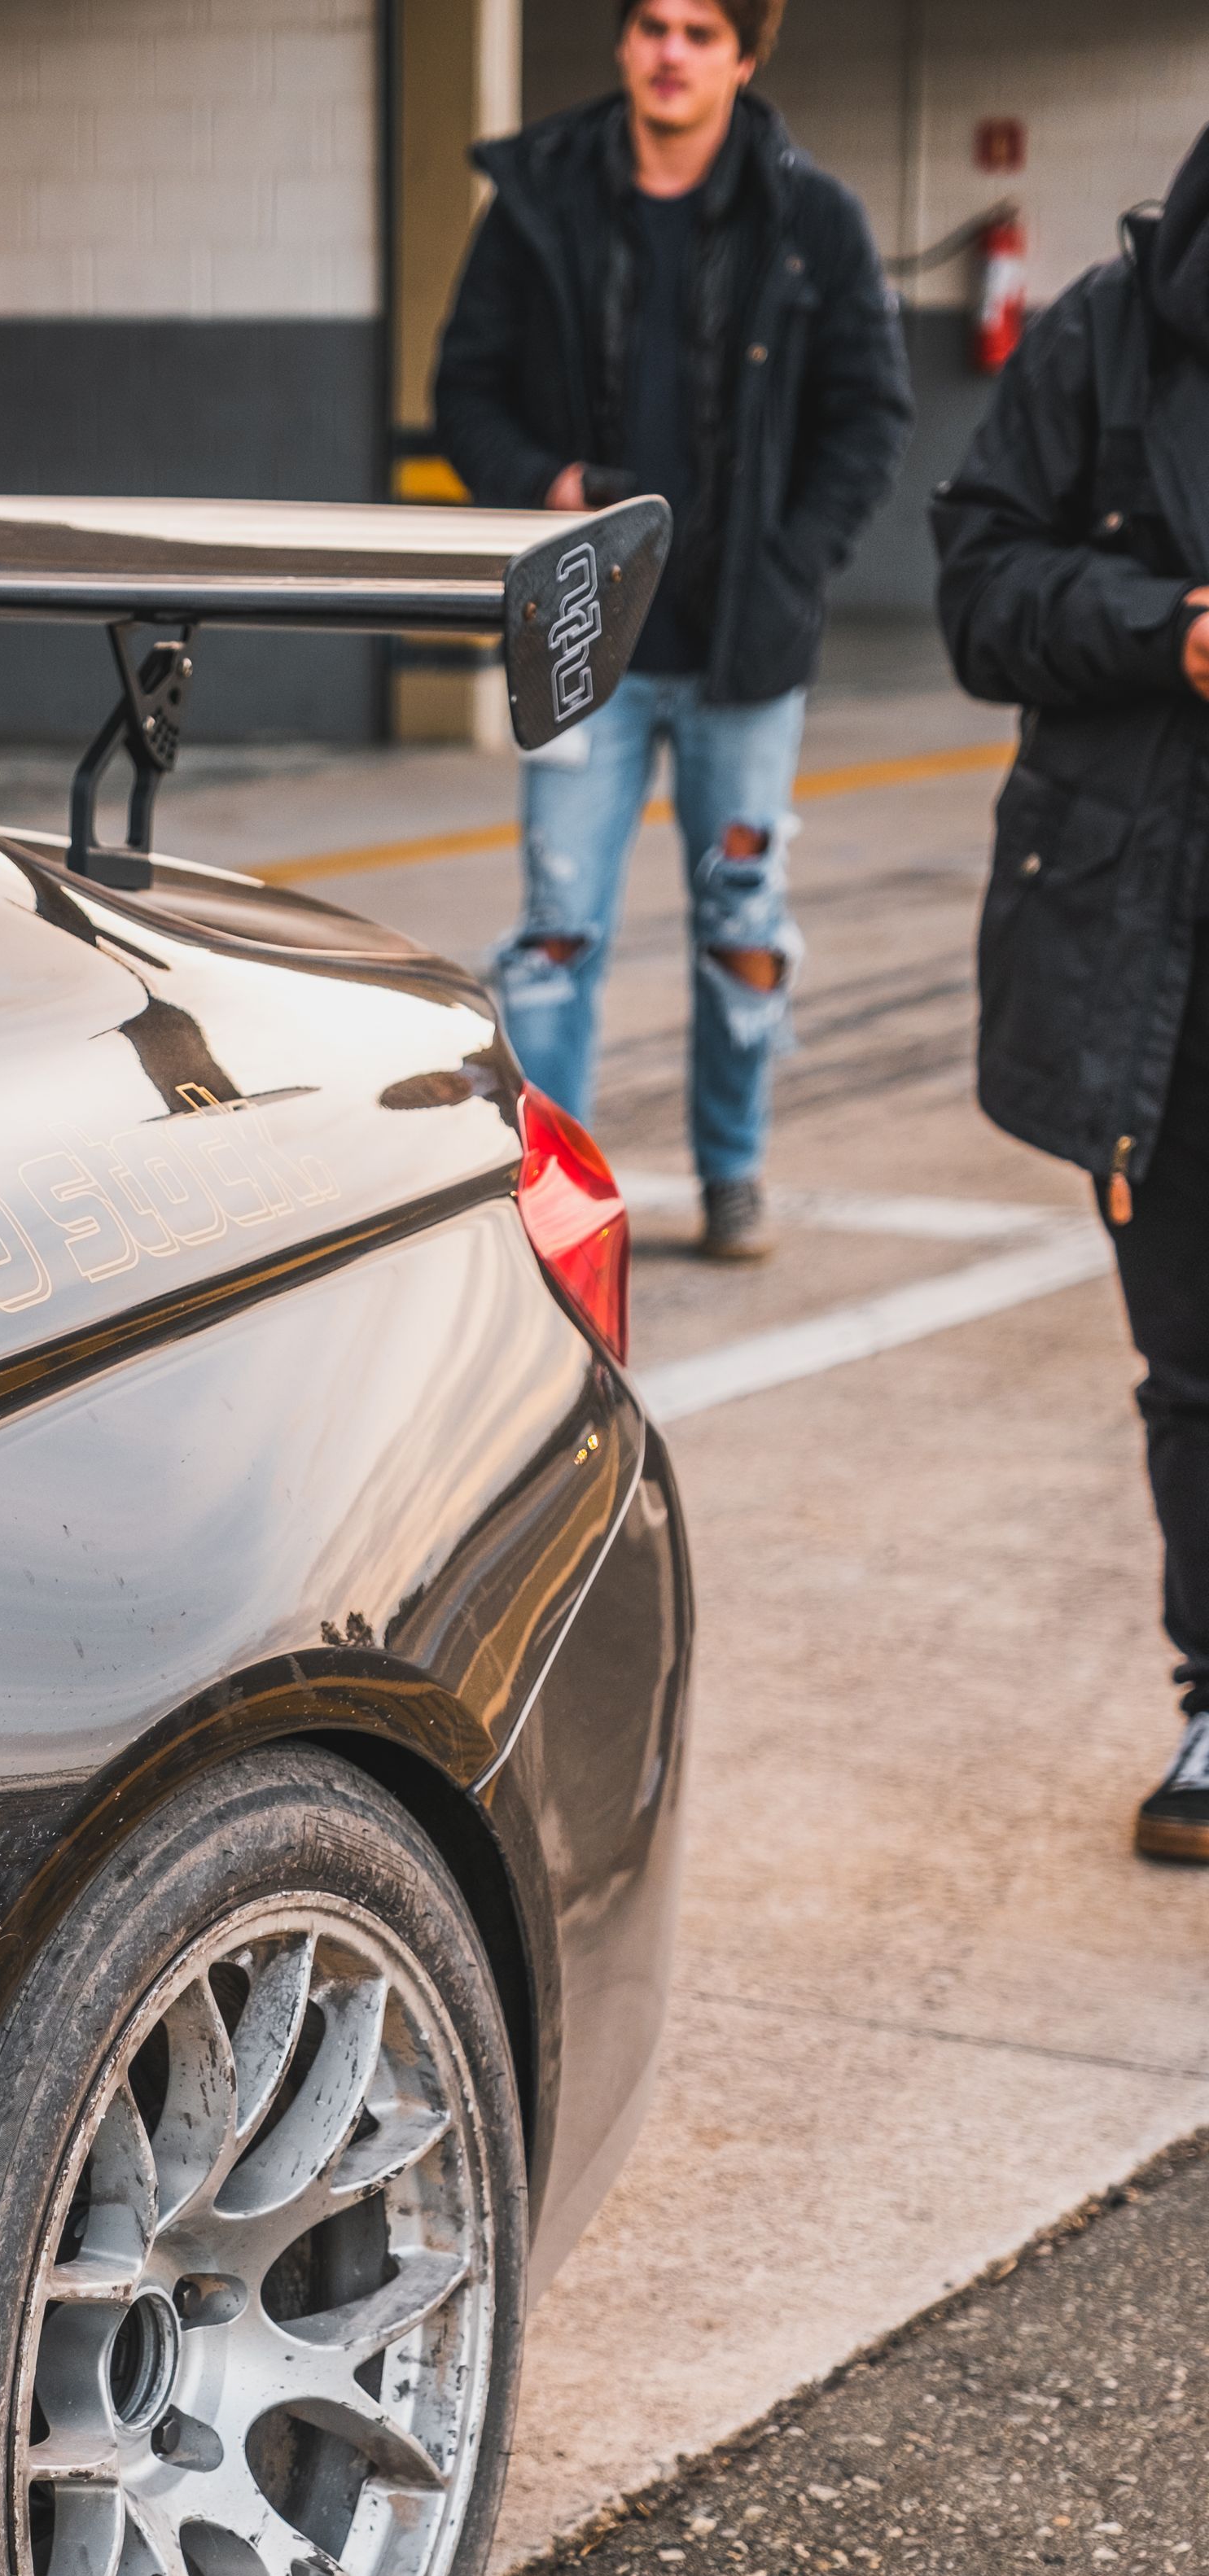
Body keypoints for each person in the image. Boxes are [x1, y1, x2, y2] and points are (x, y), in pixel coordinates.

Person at [435, 0, 911, 1260]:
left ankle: (734, 1172)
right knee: (556, 933)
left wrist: (793, 558)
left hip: (744, 651)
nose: (671, 51)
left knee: (742, 927)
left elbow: (871, 414)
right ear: (623, 42)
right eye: (652, 23)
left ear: (746, 56)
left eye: (703, 30)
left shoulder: (815, 219)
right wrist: (553, 492)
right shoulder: (541, 198)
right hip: (586, 645)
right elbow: (463, 393)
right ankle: (558, 1203)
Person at [934, 125, 1209, 1865]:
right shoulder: (1108, 336)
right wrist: (1167, 629)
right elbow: (978, 592)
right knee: (1198, 1358)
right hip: (1151, 950)